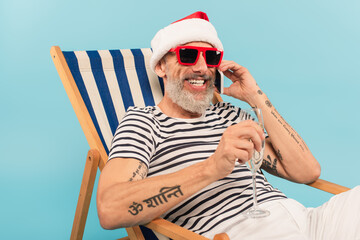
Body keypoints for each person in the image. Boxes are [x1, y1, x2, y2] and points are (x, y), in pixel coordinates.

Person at [97, 11, 360, 240]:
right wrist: (212, 167)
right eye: (188, 55)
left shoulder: (229, 115)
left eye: (210, 58)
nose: (202, 68)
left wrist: (255, 95)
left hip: (307, 220)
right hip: (237, 231)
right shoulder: (144, 122)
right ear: (161, 67)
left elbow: (306, 172)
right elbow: (110, 210)